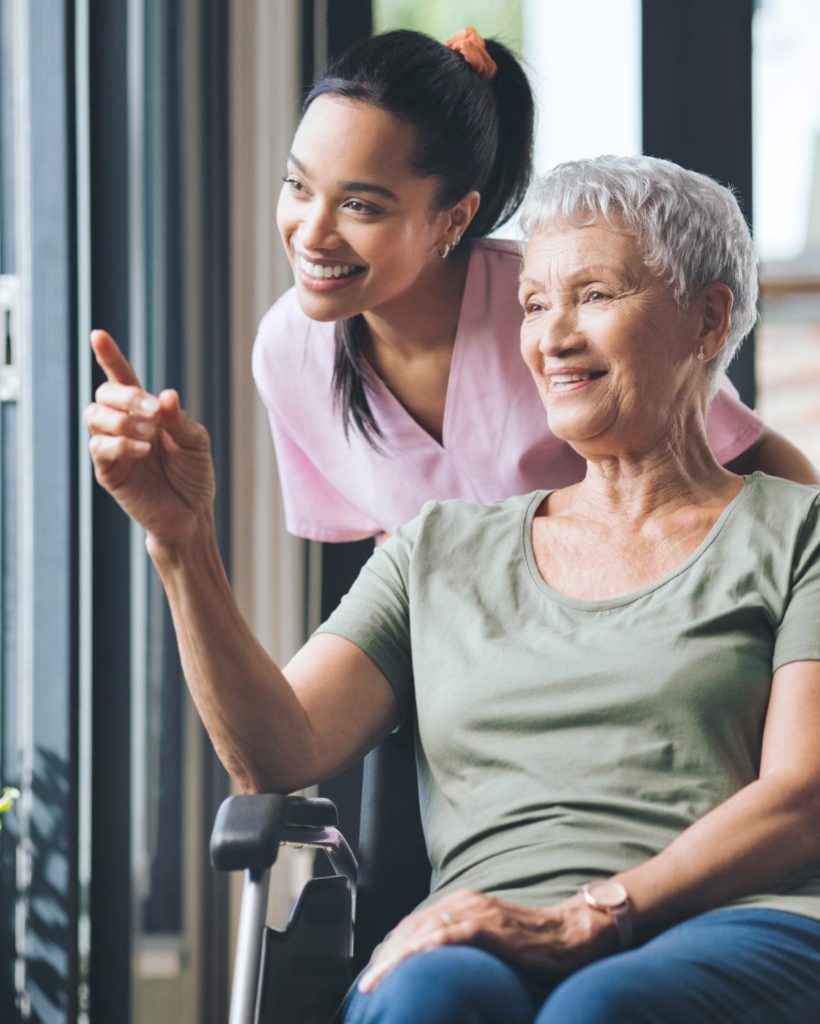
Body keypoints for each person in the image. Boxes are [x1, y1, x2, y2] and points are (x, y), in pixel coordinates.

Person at [86, 154, 820, 1022]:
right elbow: (276, 754)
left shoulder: (799, 532)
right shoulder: (440, 549)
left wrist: (592, 915)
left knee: (602, 1007)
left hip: (733, 923)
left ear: (706, 319)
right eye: (535, 304)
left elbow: (801, 800)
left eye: (594, 295)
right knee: (430, 999)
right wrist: (181, 543)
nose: (552, 337)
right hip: (475, 928)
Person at [253, 27, 816, 544]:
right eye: (297, 185)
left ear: (453, 219)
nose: (312, 233)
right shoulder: (287, 351)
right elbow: (393, 551)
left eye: (359, 206)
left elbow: (751, 456)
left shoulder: (560, 305)